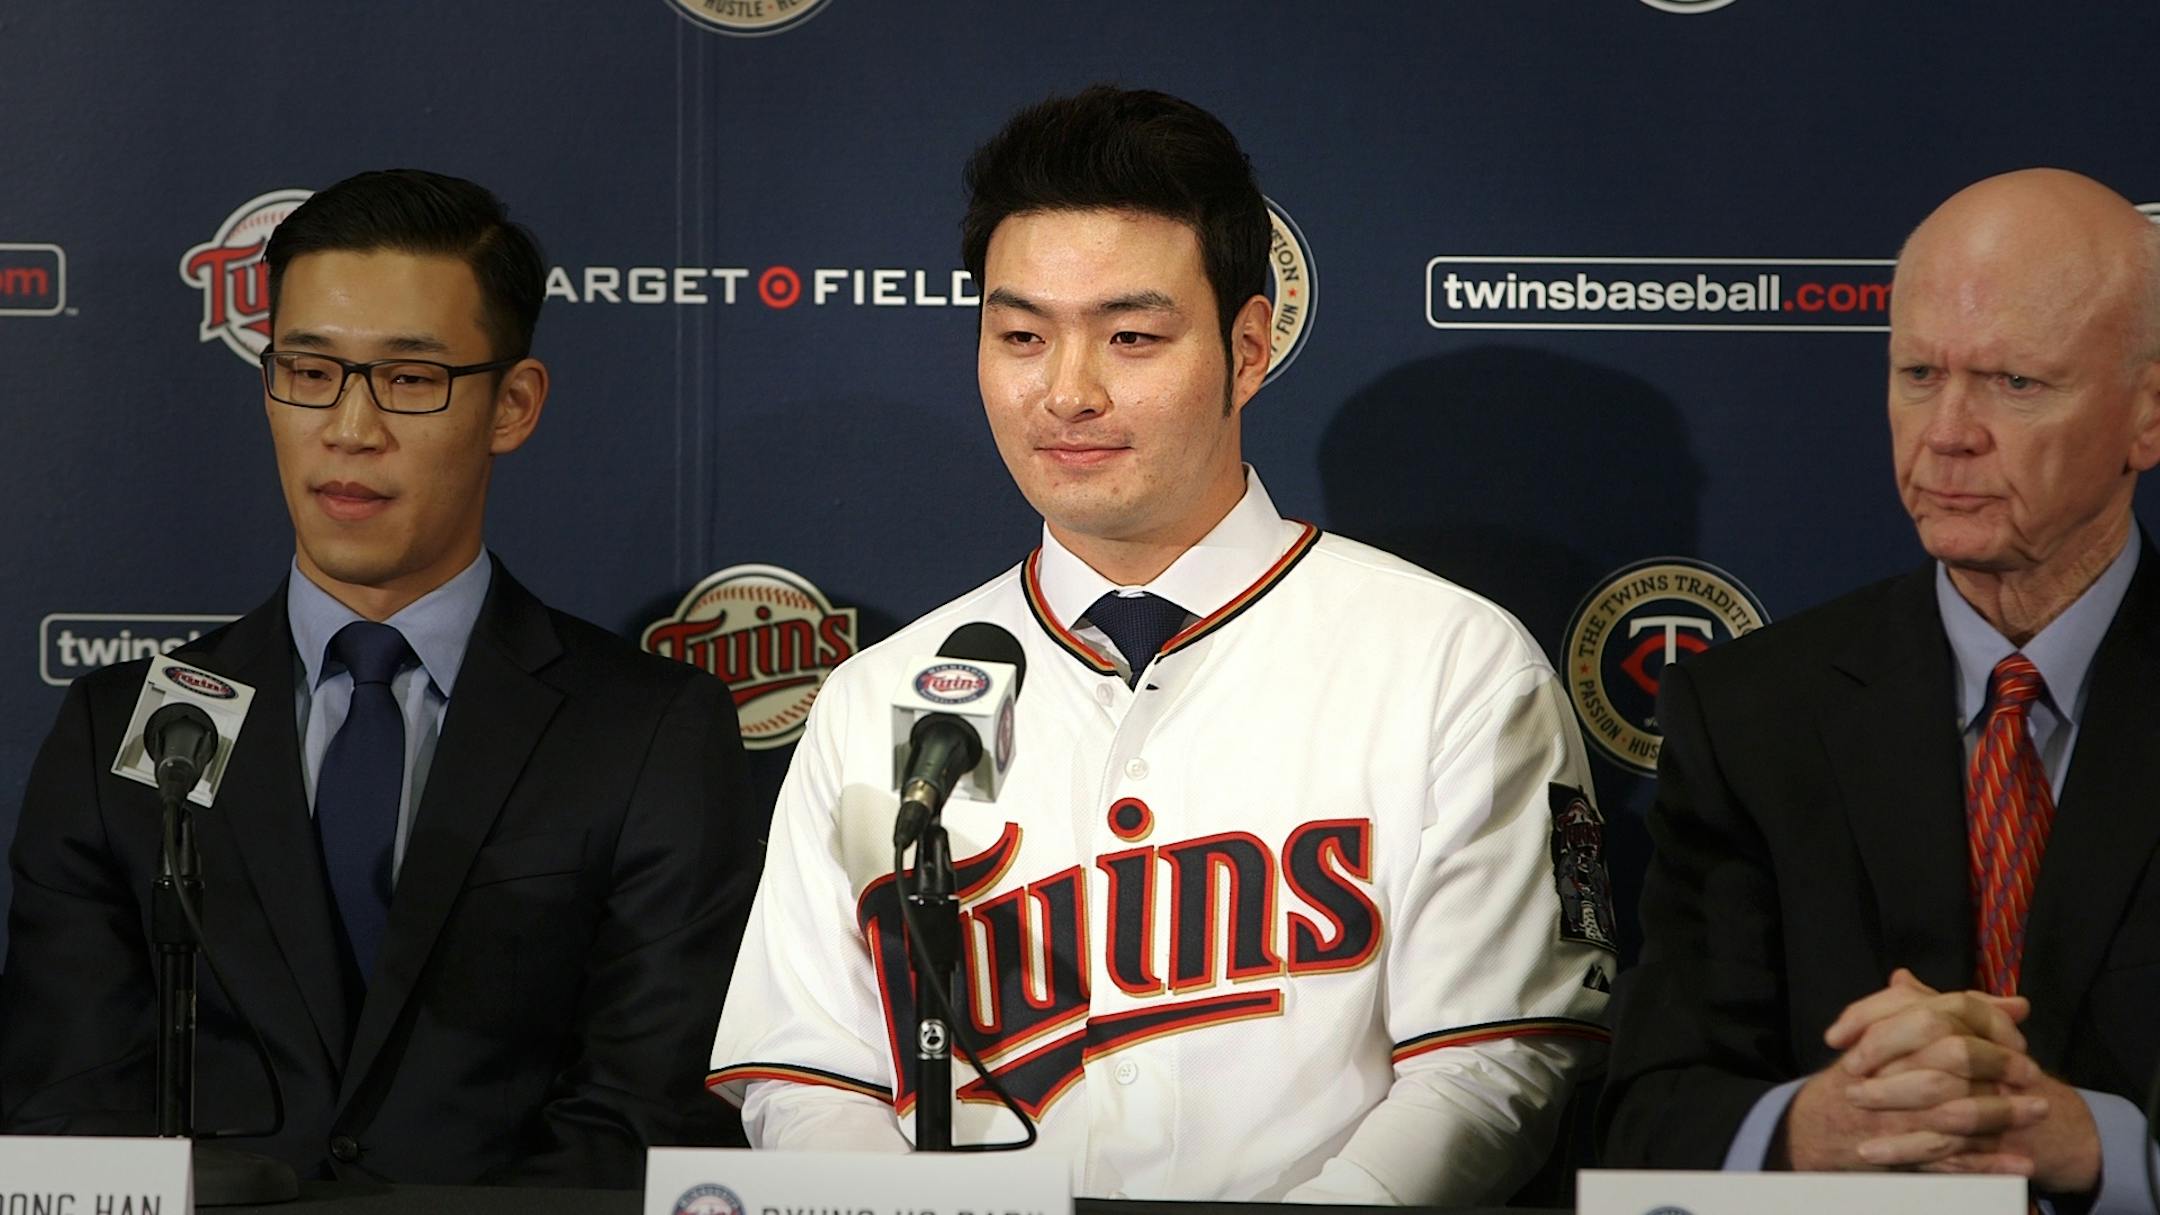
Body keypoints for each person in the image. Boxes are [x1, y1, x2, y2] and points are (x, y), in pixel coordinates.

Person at [708, 86, 1612, 1204]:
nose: (1069, 392)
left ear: (1247, 349)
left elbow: (1488, 1067)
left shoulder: (1452, 664)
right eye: (1022, 336)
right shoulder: (878, 695)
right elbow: (810, 1075)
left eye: (1132, 337)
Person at [0, 169, 757, 1187]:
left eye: (409, 380)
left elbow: (641, 1123)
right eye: (309, 372)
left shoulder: (649, 732)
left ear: (513, 405)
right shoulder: (129, 729)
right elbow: (65, 1107)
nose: (349, 429)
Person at [1600, 168, 2160, 1212]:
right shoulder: (1751, 717)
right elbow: (1643, 1120)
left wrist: (2105, 1149)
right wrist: (1808, 1130)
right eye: (1916, 374)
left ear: (2148, 414)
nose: (1947, 432)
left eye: (2015, 384)